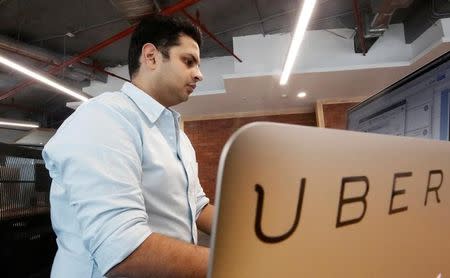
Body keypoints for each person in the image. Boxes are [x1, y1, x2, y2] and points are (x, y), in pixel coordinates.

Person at [43, 15, 214, 278]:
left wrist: (254, 232)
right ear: (151, 57)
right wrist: (237, 263)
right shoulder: (104, 118)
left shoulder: (178, 137)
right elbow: (123, 250)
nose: (199, 74)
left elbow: (197, 205)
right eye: (188, 61)